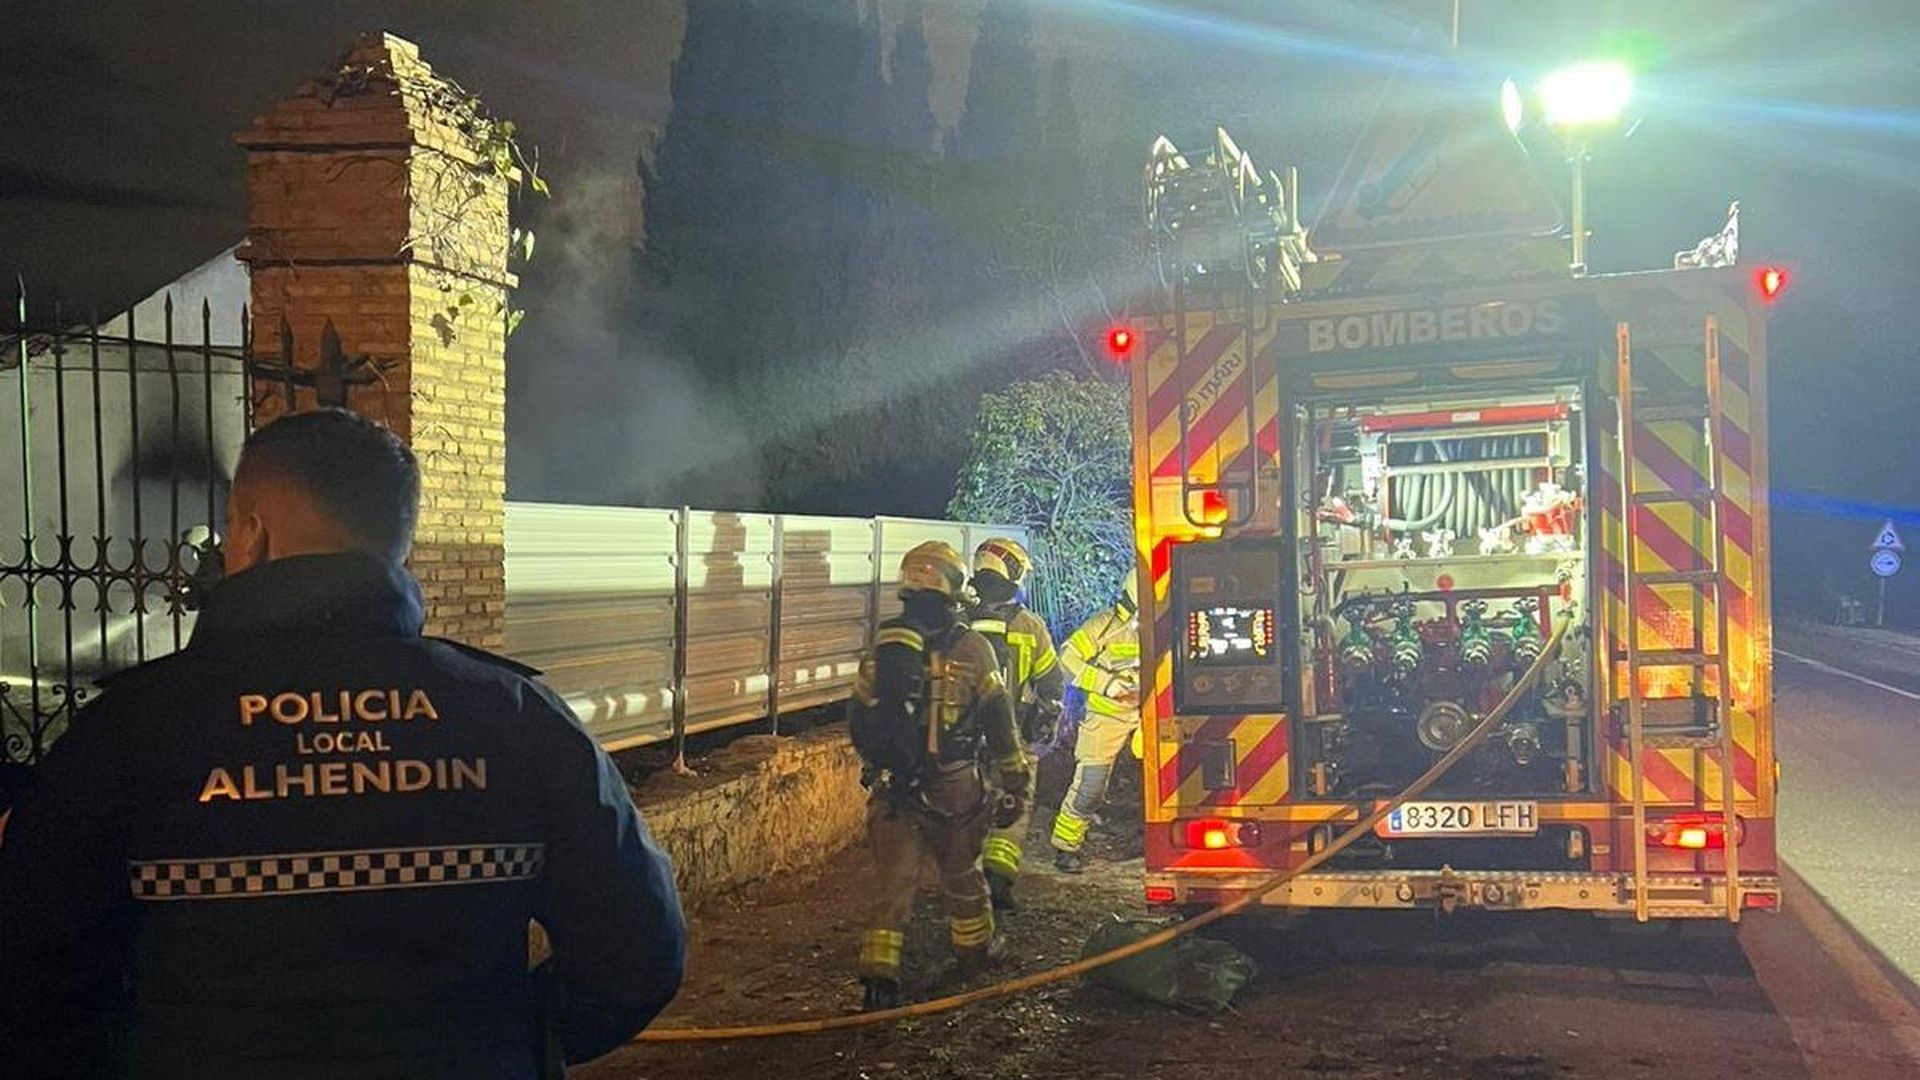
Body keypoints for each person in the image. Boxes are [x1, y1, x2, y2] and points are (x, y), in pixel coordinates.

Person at [0, 408, 685, 1079]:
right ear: (398, 546)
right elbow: (637, 952)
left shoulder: (132, 728)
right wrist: (508, 1041)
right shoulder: (514, 716)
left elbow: (32, 964)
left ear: (252, 535)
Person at [849, 540, 1028, 1012]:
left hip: (893, 787)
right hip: (955, 785)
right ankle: (974, 954)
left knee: (893, 882)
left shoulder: (884, 647)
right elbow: (999, 721)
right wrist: (1016, 780)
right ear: (954, 589)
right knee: (961, 874)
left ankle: (879, 979)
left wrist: (888, 765)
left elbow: (858, 718)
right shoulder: (974, 647)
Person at [964, 537, 1064, 912]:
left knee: (966, 808)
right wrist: (1046, 716)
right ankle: (999, 881)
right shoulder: (1030, 626)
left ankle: (965, 884)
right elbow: (1051, 681)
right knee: (1014, 804)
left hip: (961, 739)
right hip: (1013, 736)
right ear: (1014, 572)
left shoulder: (956, 621)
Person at [1050, 576, 1142, 874]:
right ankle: (1066, 846)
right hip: (1106, 715)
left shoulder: (1167, 623)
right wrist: (1106, 684)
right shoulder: (1103, 626)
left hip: (1152, 713)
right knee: (1090, 786)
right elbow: (1068, 658)